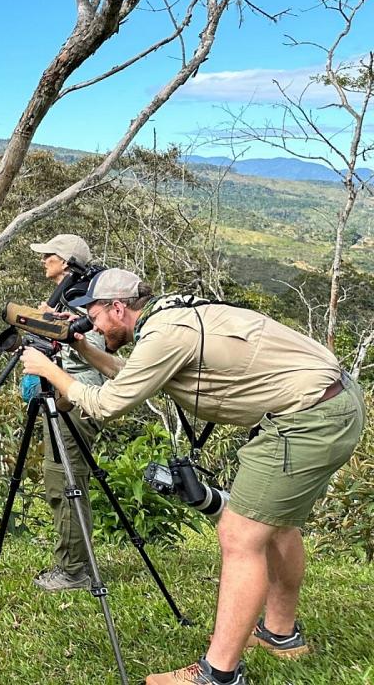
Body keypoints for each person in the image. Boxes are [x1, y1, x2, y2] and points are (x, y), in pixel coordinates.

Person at [21, 268, 364, 685]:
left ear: (117, 307)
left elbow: (108, 405)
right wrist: (86, 351)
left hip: (305, 419)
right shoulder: (170, 318)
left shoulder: (164, 336)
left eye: (93, 316)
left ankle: (217, 675)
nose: (90, 325)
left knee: (240, 536)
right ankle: (280, 634)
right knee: (278, 526)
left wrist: (49, 370)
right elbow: (134, 375)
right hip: (333, 403)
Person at [24, 233, 114, 592]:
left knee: (66, 482)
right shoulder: (67, 298)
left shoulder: (81, 302)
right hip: (65, 396)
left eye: (49, 255)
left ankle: (74, 570)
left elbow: (94, 356)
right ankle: (77, 562)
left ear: (65, 260)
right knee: (65, 481)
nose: (43, 259)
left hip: (75, 400)